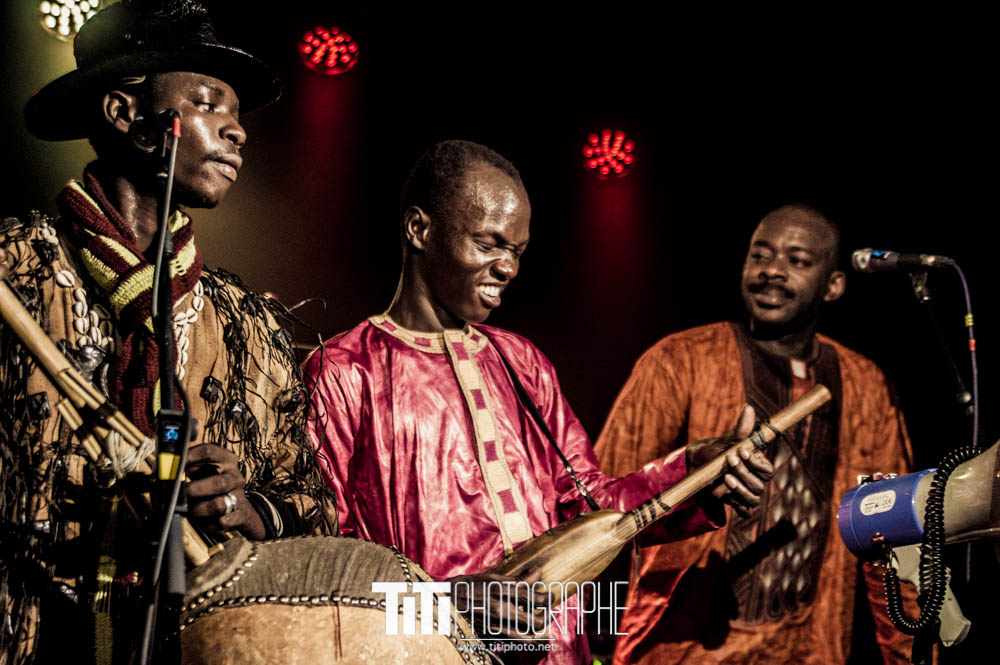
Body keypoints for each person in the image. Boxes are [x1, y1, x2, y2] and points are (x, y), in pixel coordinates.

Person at [303, 139, 774, 664]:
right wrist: (445, 602)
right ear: (420, 229)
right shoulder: (344, 370)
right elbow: (325, 566)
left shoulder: (523, 362)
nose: (508, 268)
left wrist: (696, 470)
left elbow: (592, 507)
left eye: (518, 252)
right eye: (489, 244)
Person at [0, 2, 334, 663]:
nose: (237, 129)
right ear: (126, 114)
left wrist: (247, 507)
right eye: (210, 103)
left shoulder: (249, 326)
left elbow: (316, 505)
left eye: (238, 112)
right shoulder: (16, 274)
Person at [593, 204, 916, 664]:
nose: (772, 271)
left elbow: (891, 534)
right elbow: (599, 506)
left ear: (834, 284)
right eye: (760, 255)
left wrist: (909, 655)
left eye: (797, 261)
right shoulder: (681, 359)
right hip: (682, 651)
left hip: (810, 650)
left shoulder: (865, 383)